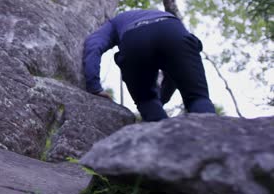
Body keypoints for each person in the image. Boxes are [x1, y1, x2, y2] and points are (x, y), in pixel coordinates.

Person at [83, 9, 216, 122]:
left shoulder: (115, 21)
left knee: (147, 101)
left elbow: (93, 45)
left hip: (135, 39)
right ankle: (214, 142)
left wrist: (94, 86)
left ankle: (163, 145)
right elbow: (189, 50)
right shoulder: (159, 13)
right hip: (173, 30)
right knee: (197, 97)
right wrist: (162, 99)